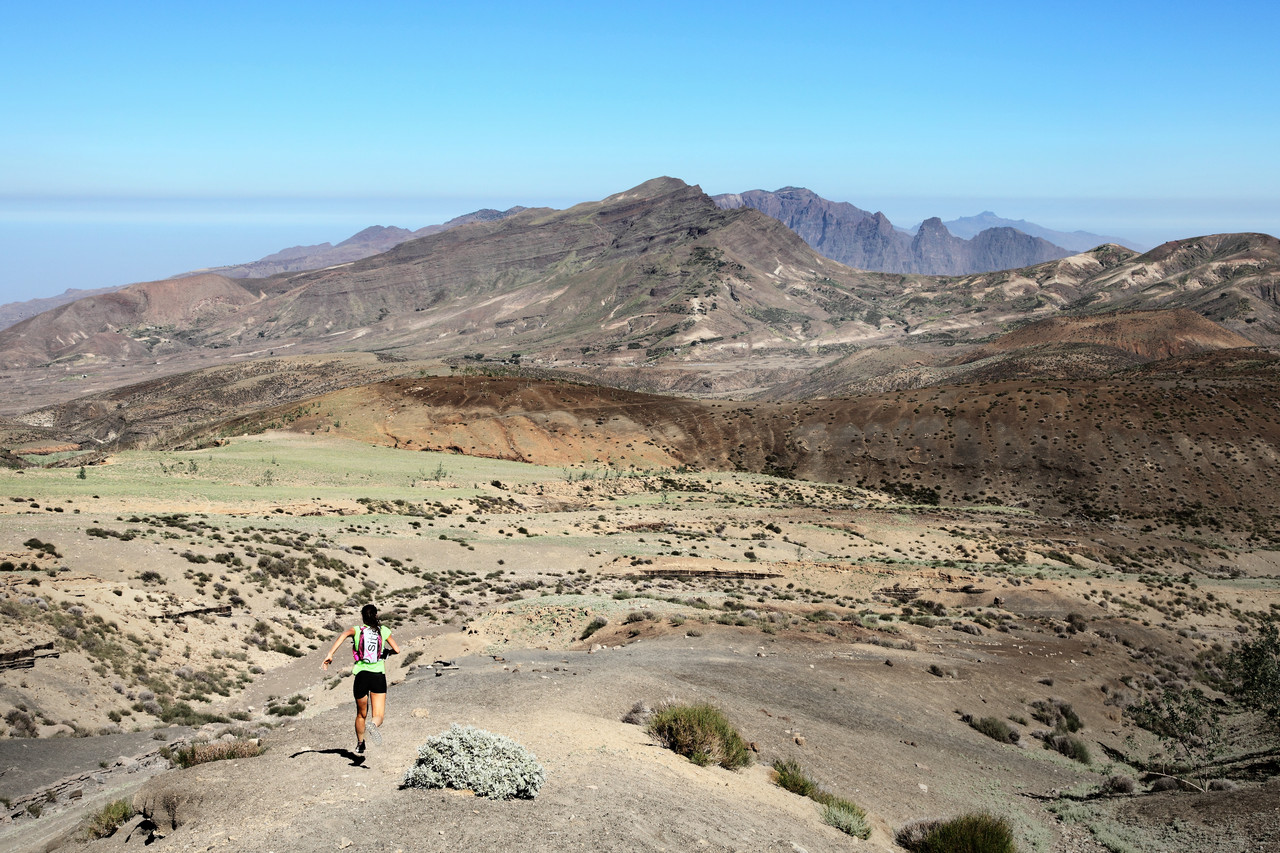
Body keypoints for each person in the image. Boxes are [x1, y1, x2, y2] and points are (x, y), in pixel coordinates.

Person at [321, 603, 401, 754]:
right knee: (378, 715)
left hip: (361, 676)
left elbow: (343, 635)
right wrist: (386, 653)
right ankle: (373, 725)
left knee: (360, 714)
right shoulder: (383, 631)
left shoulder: (357, 630)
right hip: (377, 675)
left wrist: (330, 654)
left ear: (363, 617)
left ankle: (360, 743)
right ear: (376, 616)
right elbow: (397, 649)